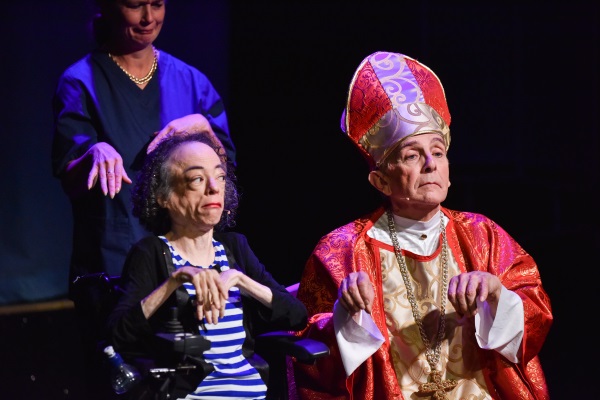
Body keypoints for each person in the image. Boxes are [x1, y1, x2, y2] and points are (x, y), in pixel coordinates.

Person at [291, 51, 553, 400]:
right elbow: (309, 360)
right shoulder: (341, 251)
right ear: (381, 181)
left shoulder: (483, 236)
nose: (431, 164)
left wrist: (495, 294)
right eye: (413, 155)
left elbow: (536, 320)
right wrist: (345, 315)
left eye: (439, 152)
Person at [51, 0, 235, 293]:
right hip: (114, 260)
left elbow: (225, 172)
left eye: (157, 4)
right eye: (135, 5)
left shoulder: (191, 82)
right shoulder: (81, 82)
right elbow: (70, 180)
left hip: (190, 261)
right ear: (108, 7)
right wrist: (93, 154)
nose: (149, 17)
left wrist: (206, 131)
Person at [106, 132, 308, 399]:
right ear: (164, 197)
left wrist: (240, 279)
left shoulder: (235, 248)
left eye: (220, 177)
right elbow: (117, 335)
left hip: (249, 392)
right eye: (196, 179)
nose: (214, 187)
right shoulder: (151, 253)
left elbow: (297, 315)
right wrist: (175, 280)